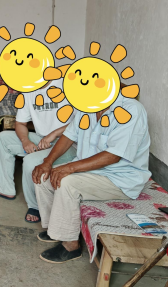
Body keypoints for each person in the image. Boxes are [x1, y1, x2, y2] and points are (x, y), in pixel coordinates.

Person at [32, 94, 150, 263]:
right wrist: (47, 162)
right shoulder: (87, 104)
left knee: (67, 183)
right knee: (43, 176)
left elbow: (113, 156)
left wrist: (70, 168)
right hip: (88, 171)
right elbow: (68, 136)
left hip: (119, 178)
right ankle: (55, 229)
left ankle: (70, 246)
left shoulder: (131, 110)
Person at [0, 79, 77, 222]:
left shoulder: (66, 84)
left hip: (68, 143)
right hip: (42, 140)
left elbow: (80, 121)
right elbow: (20, 123)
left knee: (30, 160)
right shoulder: (29, 91)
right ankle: (5, 189)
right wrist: (25, 141)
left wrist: (54, 134)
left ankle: (35, 206)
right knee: (3, 138)